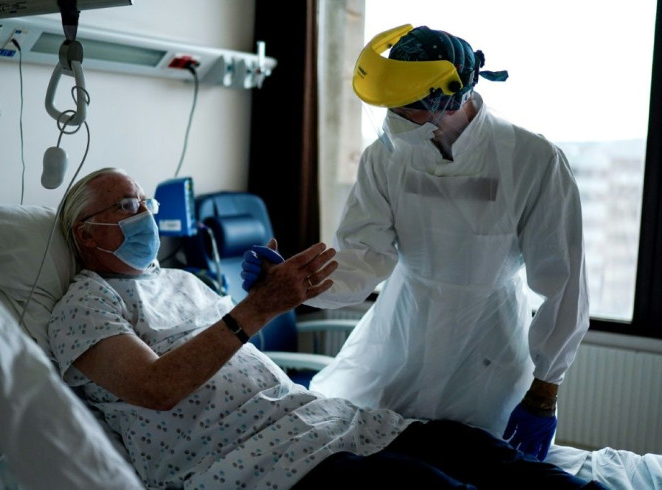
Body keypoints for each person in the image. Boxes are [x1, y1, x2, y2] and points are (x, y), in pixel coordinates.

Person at [47, 167, 604, 489]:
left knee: (482, 455)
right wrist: (260, 307)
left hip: (317, 419)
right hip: (254, 468)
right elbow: (156, 388)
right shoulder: (84, 304)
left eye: (144, 200)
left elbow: (234, 354)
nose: (145, 211)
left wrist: (270, 298)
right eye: (126, 204)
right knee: (428, 489)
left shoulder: (183, 281)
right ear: (88, 235)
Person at [241, 24, 589, 462]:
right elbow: (363, 259)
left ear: (450, 100)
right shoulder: (384, 157)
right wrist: (296, 280)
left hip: (489, 352)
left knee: (481, 468)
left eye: (406, 109)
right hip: (399, 339)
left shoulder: (532, 160)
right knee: (379, 464)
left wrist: (545, 387)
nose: (393, 119)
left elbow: (564, 283)